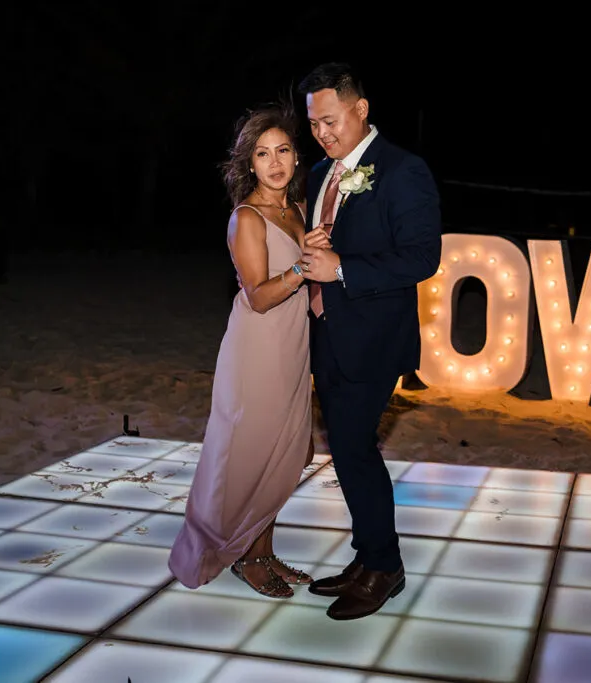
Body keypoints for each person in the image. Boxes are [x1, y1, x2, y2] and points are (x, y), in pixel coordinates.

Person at [297, 63, 442, 620]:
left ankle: (385, 566)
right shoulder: (318, 176)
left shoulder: (404, 171)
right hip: (327, 334)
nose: (323, 134)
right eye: (314, 125)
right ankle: (366, 558)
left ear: (361, 109)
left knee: (355, 449)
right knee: (347, 450)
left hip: (374, 341)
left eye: (330, 121)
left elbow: (422, 257)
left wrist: (342, 270)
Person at [168, 104, 328, 598]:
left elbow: (312, 286)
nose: (275, 162)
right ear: (249, 164)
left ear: (297, 157)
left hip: (292, 344)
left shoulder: (298, 210)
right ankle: (243, 556)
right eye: (262, 154)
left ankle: (261, 549)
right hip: (257, 347)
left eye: (282, 151)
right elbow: (258, 295)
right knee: (250, 453)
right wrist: (304, 265)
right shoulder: (247, 217)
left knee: (284, 453)